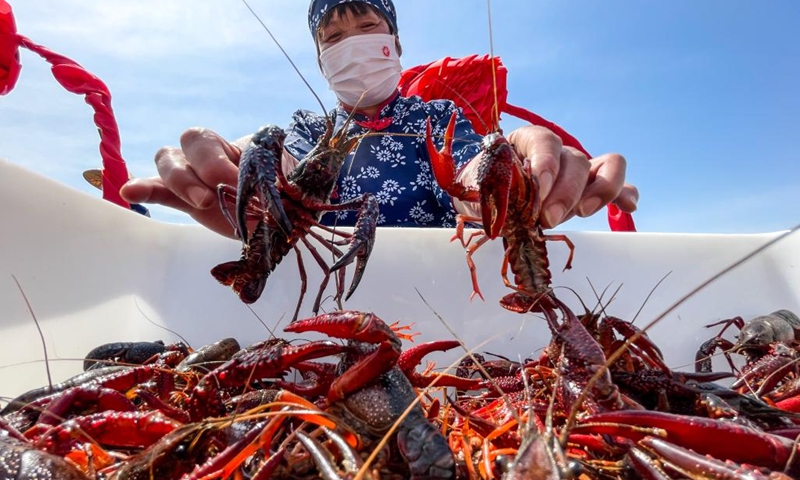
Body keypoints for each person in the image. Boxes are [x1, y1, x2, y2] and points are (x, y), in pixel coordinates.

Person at [119, 0, 638, 239]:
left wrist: (522, 183)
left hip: (438, 294)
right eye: (333, 38)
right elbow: (284, 163)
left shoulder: (441, 116)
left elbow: (472, 172)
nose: (353, 46)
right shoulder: (305, 127)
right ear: (320, 60)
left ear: (395, 45)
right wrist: (249, 182)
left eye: (367, 26)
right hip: (328, 308)